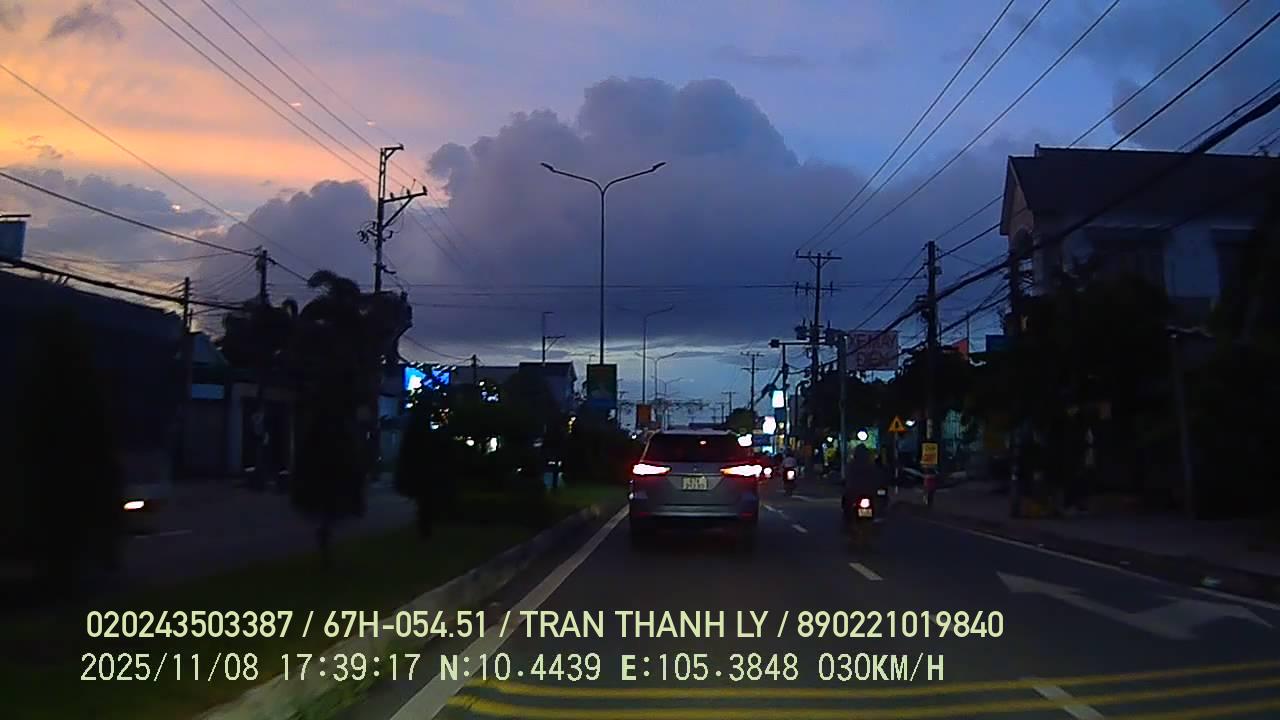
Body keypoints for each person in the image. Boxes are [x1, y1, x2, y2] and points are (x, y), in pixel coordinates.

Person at [843, 445, 888, 526]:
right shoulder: (870, 466)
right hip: (860, 494)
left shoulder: (852, 466)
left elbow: (880, 479)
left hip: (865, 494)